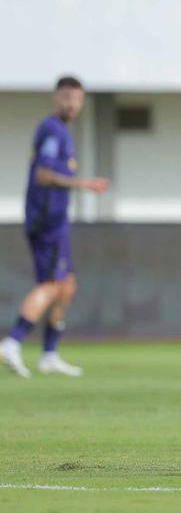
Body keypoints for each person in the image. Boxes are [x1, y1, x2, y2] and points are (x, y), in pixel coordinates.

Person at [1, 77, 110, 379]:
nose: (72, 104)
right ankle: (13, 342)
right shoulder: (51, 129)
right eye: (66, 98)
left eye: (77, 99)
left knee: (67, 285)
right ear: (55, 98)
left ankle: (49, 353)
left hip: (56, 220)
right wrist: (84, 184)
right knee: (50, 284)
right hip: (46, 219)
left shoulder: (63, 132)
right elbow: (44, 175)